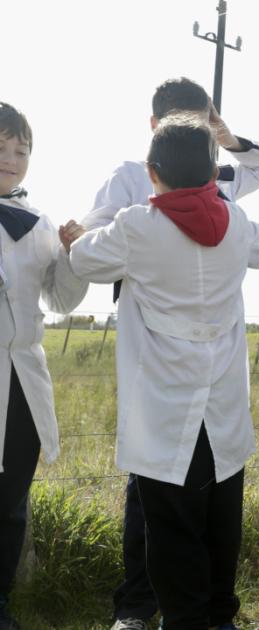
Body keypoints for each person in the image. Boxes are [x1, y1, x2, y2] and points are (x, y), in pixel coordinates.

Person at [82, 77, 259, 630]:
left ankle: (185, 618)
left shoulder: (138, 220)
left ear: (154, 170)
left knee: (167, 520)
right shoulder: (234, 216)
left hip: (162, 392)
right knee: (217, 513)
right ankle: (208, 615)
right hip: (218, 392)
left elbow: (82, 259)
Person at [0, 102, 88, 630]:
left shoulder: (39, 225)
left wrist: (74, 258)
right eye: (1, 146)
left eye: (21, 150)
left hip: (23, 380)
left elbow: (60, 300)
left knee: (10, 503)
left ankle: (1, 602)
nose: (11, 158)